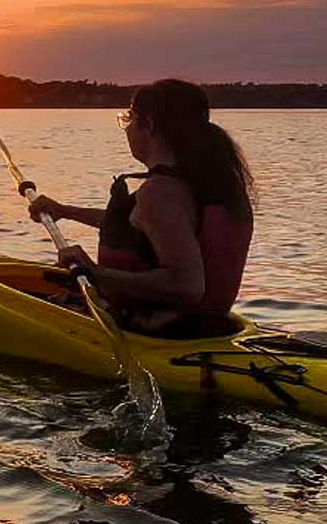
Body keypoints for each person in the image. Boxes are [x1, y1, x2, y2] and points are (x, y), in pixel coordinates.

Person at [30, 79, 254, 337]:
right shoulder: (210, 185)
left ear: (147, 124)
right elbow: (142, 227)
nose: (126, 128)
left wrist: (96, 274)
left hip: (156, 330)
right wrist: (64, 211)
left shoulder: (159, 193)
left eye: (129, 118)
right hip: (210, 328)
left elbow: (188, 286)